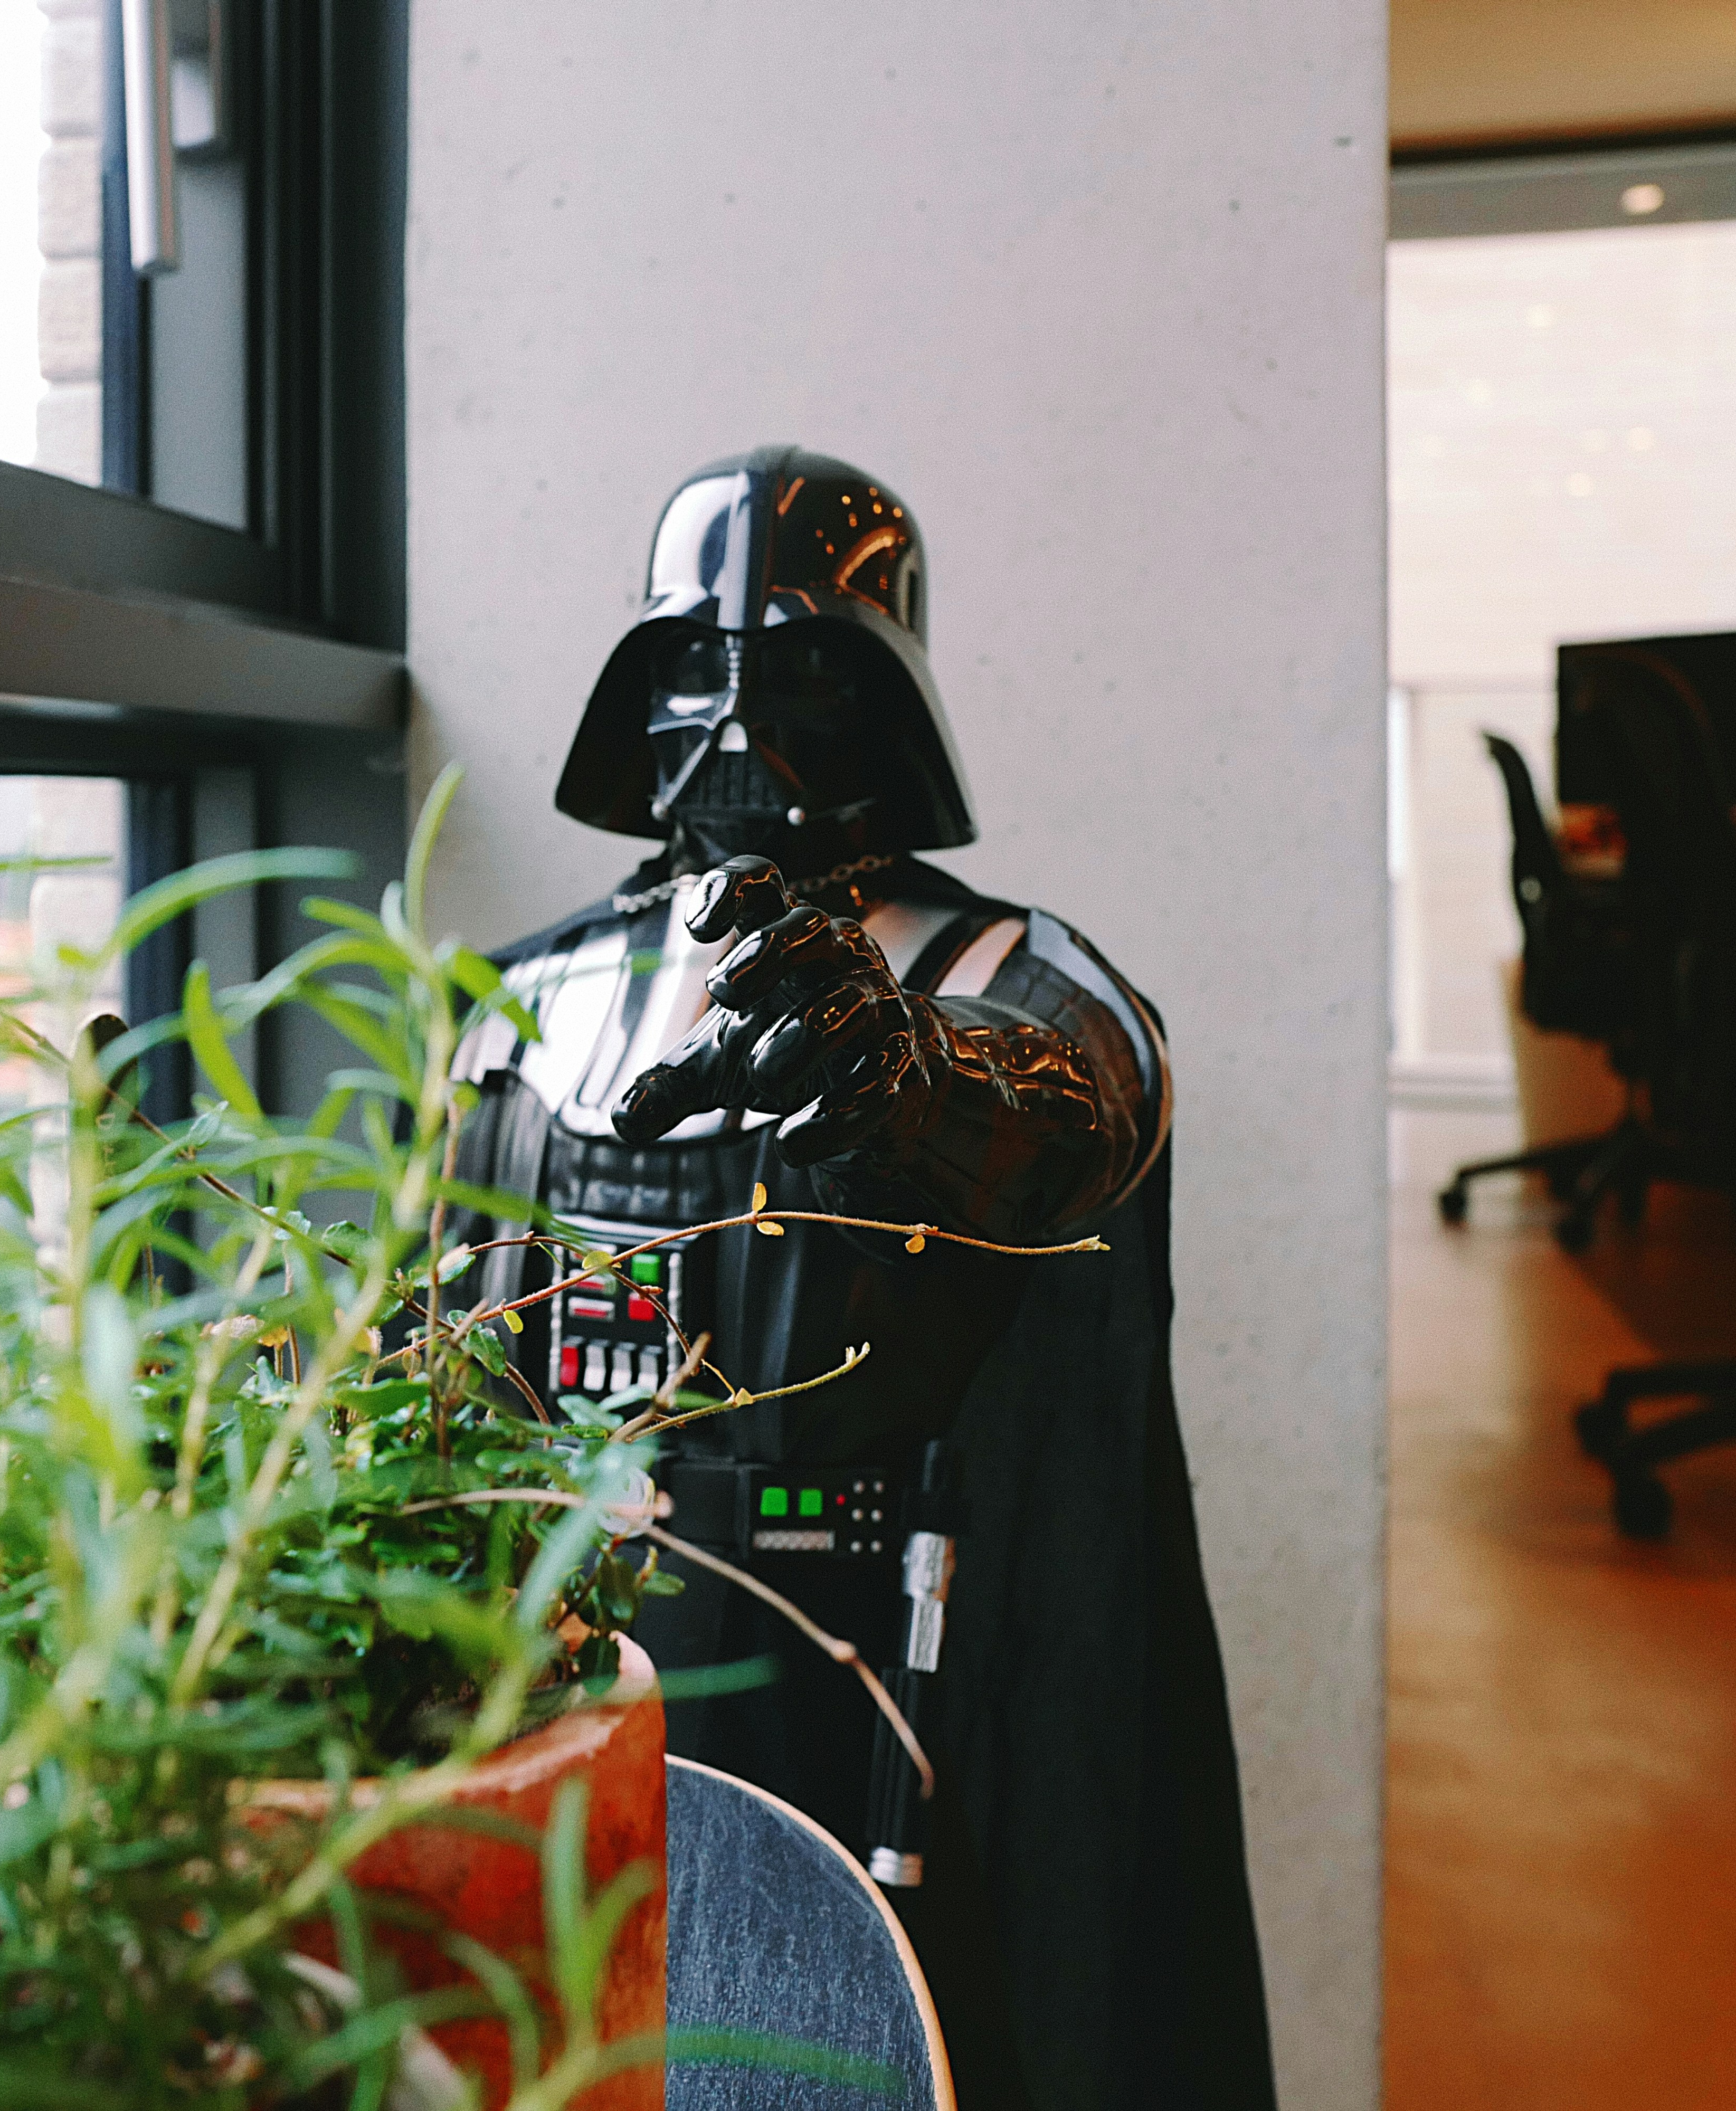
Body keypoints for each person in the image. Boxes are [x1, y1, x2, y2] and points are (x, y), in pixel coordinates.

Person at [447, 447, 1276, 2108]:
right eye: (695, 664)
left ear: (887, 693)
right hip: (571, 1660)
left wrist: (910, 1075)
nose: (738, 718)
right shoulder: (517, 1002)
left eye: (804, 671)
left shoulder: (1004, 973)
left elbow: (1075, 1107)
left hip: (883, 1675)